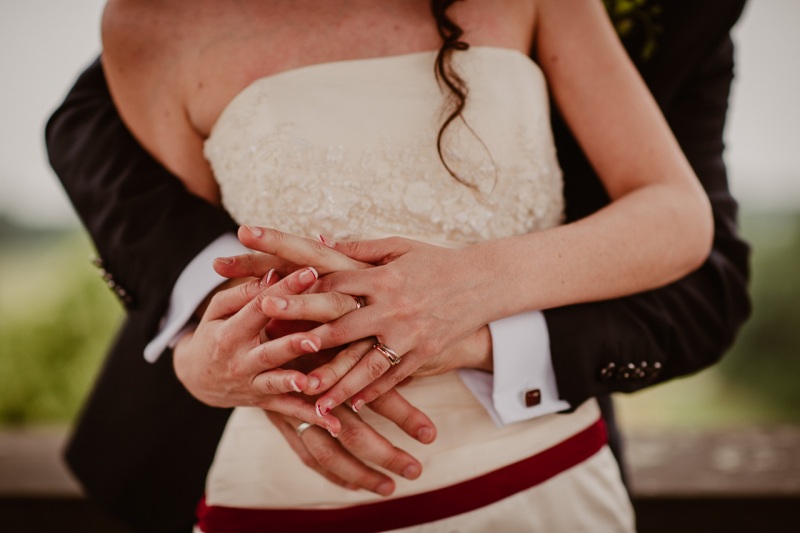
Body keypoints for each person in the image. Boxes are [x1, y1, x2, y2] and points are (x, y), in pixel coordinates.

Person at [45, 0, 751, 531]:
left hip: (543, 474)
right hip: (289, 487)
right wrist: (197, 361)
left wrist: (471, 289)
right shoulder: (151, 22)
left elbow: (679, 218)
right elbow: (201, 258)